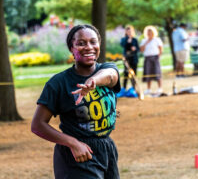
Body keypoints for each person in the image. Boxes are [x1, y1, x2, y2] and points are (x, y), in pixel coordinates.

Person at [31, 24, 121, 179]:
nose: (88, 47)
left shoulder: (107, 69)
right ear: (71, 48)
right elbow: (38, 125)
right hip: (77, 155)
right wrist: (73, 143)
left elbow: (111, 76)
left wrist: (92, 81)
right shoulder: (59, 83)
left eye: (93, 42)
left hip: (107, 149)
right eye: (81, 43)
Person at [140, 25, 163, 95]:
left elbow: (160, 48)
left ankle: (160, 88)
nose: (149, 33)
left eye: (150, 32)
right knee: (148, 73)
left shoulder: (157, 39)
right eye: (148, 32)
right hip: (147, 58)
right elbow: (141, 50)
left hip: (155, 57)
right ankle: (148, 89)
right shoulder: (144, 40)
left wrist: (158, 56)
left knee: (157, 73)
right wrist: (146, 42)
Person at [120, 25, 139, 91]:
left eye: (130, 31)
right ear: (126, 32)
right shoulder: (124, 39)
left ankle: (134, 88)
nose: (129, 32)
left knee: (133, 74)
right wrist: (128, 40)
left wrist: (135, 48)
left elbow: (138, 49)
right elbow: (122, 45)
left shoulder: (135, 40)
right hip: (126, 59)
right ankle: (124, 88)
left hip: (133, 59)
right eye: (128, 31)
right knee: (126, 73)